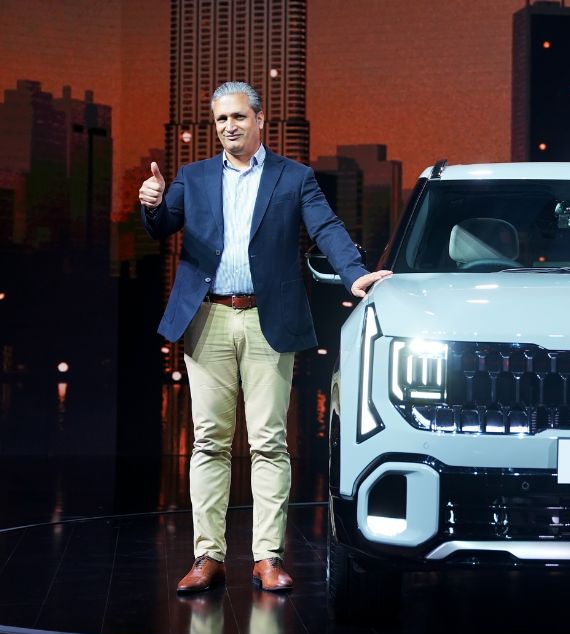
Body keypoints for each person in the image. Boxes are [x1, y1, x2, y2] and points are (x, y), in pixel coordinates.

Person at [139, 81, 391, 594]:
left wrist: (353, 273)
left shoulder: (293, 177)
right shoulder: (193, 176)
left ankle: (267, 557)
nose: (229, 126)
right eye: (220, 119)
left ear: (259, 119)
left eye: (238, 116)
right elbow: (161, 226)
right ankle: (207, 557)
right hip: (207, 318)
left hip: (266, 319)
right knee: (209, 441)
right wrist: (152, 202)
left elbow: (326, 228)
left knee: (269, 443)